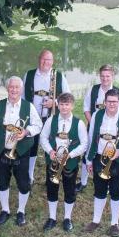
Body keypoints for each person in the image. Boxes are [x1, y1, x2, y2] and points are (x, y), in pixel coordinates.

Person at [0, 76, 43, 226]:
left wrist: (26, 131)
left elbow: (38, 125)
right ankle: (5, 210)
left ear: (21, 89)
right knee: (2, 181)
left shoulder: (28, 106)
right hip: (1, 150)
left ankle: (21, 211)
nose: (14, 90)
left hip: (21, 150)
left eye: (17, 87)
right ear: (7, 88)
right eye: (11, 87)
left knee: (23, 183)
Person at [83, 88, 119, 237]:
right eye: (109, 101)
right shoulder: (97, 115)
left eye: (115, 101)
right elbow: (91, 136)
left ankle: (114, 223)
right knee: (99, 189)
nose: (112, 104)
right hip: (99, 157)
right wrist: (88, 159)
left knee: (116, 190)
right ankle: (95, 220)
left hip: (118, 159)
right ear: (104, 102)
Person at [39, 93, 88, 231]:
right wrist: (50, 151)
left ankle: (67, 218)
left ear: (72, 106)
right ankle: (52, 218)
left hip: (70, 162)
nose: (64, 107)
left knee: (69, 190)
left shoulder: (79, 123)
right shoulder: (51, 120)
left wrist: (70, 155)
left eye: (67, 104)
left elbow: (84, 144)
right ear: (57, 105)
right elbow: (43, 137)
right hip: (53, 161)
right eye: (61, 104)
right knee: (52, 188)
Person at [78, 64, 119, 193]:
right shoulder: (93, 90)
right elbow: (86, 109)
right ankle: (83, 181)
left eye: (108, 76)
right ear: (99, 76)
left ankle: (108, 178)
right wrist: (95, 125)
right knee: (88, 152)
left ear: (112, 76)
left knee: (109, 154)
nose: (105, 79)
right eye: (102, 76)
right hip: (95, 128)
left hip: (113, 133)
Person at [22, 50, 70, 183]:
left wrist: (54, 102)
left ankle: (52, 175)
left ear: (52, 62)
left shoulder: (59, 76)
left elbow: (67, 96)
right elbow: (23, 97)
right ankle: (29, 175)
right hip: (33, 118)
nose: (45, 62)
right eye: (43, 59)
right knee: (32, 146)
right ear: (39, 59)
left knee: (52, 146)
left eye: (48, 60)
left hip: (51, 118)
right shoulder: (29, 75)